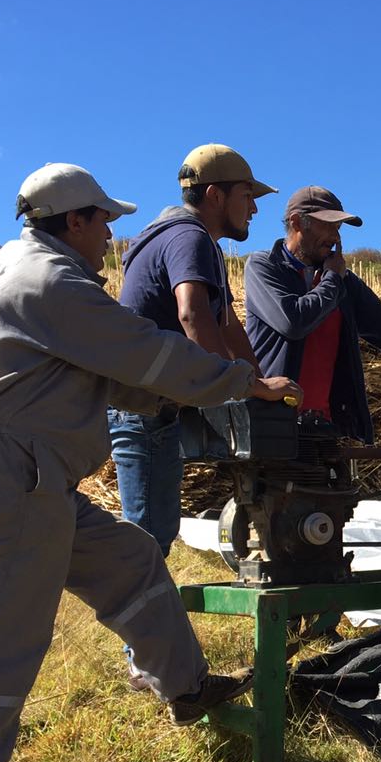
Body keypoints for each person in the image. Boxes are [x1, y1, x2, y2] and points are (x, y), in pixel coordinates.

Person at [0, 163, 300, 762]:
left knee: (129, 560)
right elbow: (143, 351)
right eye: (103, 220)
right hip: (16, 472)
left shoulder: (15, 267)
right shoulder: (52, 280)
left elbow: (112, 375)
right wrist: (242, 382)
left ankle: (185, 688)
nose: (110, 235)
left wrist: (167, 394)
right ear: (73, 220)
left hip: (31, 472)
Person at [110, 144, 275, 557]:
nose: (253, 208)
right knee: (146, 543)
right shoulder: (190, 237)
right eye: (246, 196)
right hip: (143, 407)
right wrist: (242, 386)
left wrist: (260, 382)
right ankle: (142, 617)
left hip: (155, 408)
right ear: (215, 195)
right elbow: (193, 315)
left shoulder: (187, 240)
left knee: (156, 536)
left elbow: (226, 325)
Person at [244, 186, 381, 440]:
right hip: (272, 428)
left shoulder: (345, 284)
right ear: (297, 222)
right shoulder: (264, 268)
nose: (336, 237)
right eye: (328, 226)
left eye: (338, 229)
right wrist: (332, 278)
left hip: (329, 432)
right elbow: (294, 321)